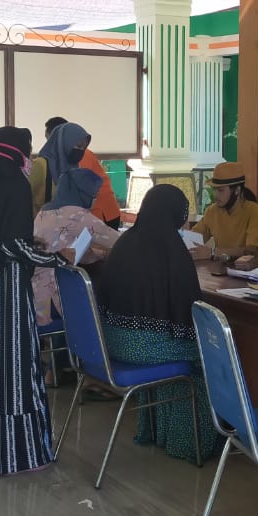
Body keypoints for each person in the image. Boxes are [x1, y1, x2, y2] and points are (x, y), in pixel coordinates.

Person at [0, 127, 73, 476]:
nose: (31, 159)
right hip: (5, 294)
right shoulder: (17, 186)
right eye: (28, 151)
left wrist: (29, 243)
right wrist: (56, 257)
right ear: (17, 154)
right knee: (13, 368)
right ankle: (18, 455)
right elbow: (10, 246)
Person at [98, 184, 219, 464]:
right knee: (205, 357)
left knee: (169, 344)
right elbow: (188, 308)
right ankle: (188, 443)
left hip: (112, 344)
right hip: (146, 350)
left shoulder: (125, 242)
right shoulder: (171, 248)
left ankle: (157, 432)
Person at [32, 163, 119, 329]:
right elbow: (118, 241)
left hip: (34, 296)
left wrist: (101, 254)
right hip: (53, 297)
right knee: (105, 302)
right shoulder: (76, 215)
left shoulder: (45, 211)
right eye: (93, 194)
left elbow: (72, 251)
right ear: (81, 192)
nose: (95, 199)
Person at [43, 116, 122, 229]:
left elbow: (79, 188)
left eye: (49, 139)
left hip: (102, 213)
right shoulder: (63, 157)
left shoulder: (79, 155)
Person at [192, 161, 258, 253]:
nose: (215, 195)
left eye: (221, 190)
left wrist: (213, 253)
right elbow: (194, 240)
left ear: (237, 190)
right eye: (214, 189)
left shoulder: (257, 212)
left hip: (249, 263)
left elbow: (251, 251)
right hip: (219, 262)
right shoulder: (212, 211)